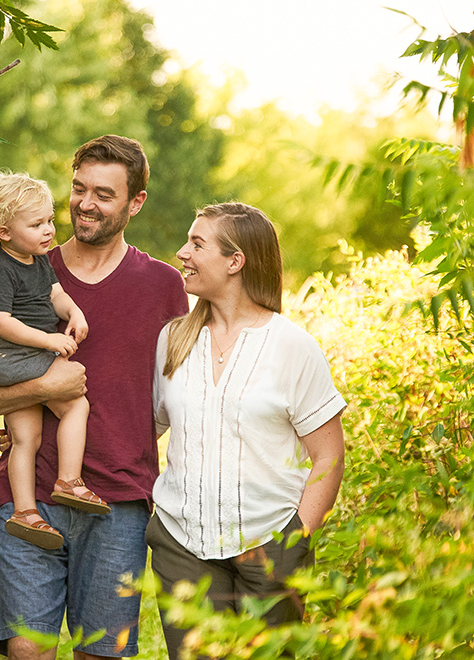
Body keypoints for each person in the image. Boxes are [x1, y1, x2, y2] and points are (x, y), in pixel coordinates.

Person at [0, 135, 189, 660]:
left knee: (100, 655)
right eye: (79, 189)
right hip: (28, 499)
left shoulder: (164, 287)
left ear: (136, 203)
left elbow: (186, 396)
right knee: (28, 651)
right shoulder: (24, 267)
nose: (84, 203)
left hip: (119, 502)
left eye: (104, 194)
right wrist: (38, 391)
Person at [147, 202, 347, 659]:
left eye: (198, 244)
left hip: (270, 545)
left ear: (235, 261)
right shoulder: (173, 339)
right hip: (182, 545)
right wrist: (39, 435)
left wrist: (296, 539)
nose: (182, 253)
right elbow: (143, 430)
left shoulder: (292, 346)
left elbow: (329, 456)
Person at [0, 170, 109, 551]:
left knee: (25, 438)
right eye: (36, 224)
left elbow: (56, 295)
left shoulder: (38, 259)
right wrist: (48, 339)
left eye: (49, 220)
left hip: (20, 360)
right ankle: (68, 479)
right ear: (3, 231)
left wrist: (74, 313)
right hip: (9, 358)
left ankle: (25, 512)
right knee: (76, 403)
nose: (49, 230)